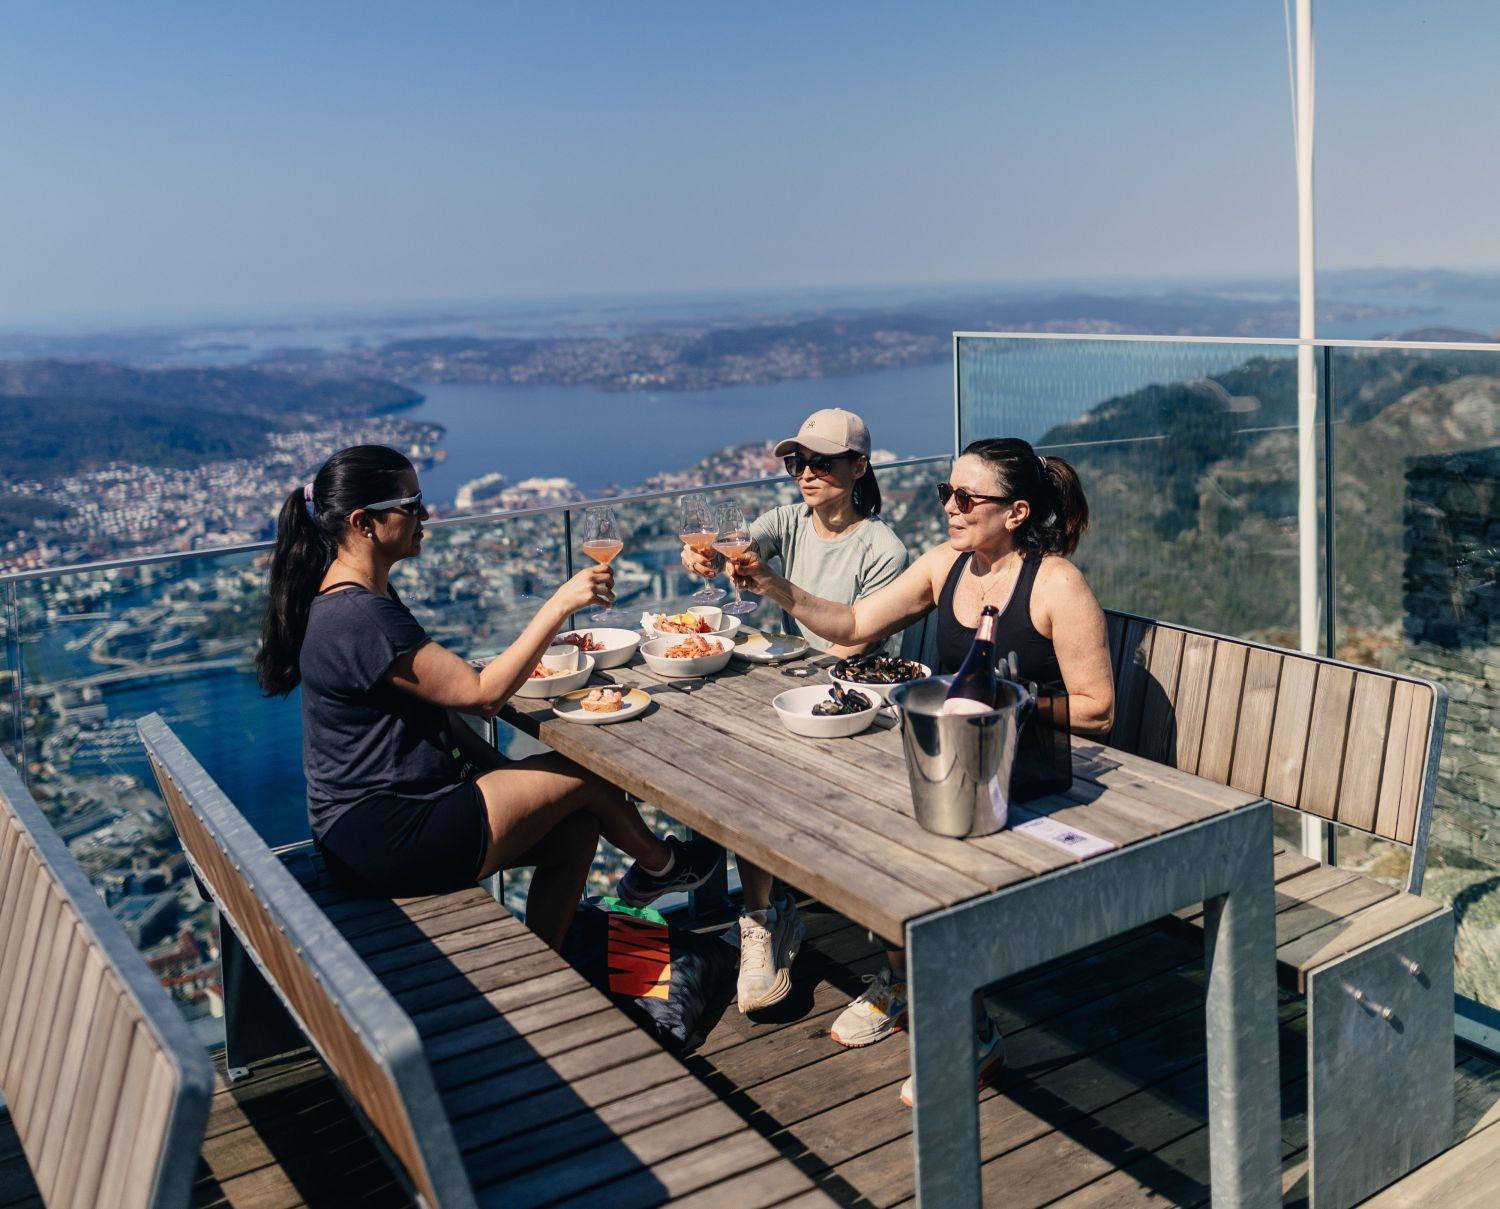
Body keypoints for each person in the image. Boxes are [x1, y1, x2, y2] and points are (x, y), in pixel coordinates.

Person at [725, 436, 1115, 1104]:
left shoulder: (1056, 584)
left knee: (900, 840)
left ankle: (962, 1026)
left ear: (1016, 512)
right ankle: (919, 994)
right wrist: (773, 585)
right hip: (955, 761)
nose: (950, 508)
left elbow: (1099, 709)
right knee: (840, 802)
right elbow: (852, 623)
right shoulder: (946, 566)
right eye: (947, 493)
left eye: (967, 498)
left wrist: (1000, 702)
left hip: (1030, 775)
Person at [256, 444, 720, 953]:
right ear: (364, 523)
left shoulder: (358, 599)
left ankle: (550, 964)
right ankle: (664, 867)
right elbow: (482, 697)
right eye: (410, 505)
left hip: (371, 826)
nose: (425, 515)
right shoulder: (359, 615)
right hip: (387, 834)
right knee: (594, 771)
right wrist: (561, 602)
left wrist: (506, 775)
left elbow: (437, 712)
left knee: (577, 826)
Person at [680, 408, 908, 1015]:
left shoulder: (884, 549)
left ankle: (765, 917)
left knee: (751, 763)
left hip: (854, 707)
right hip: (790, 691)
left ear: (859, 467)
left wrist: (775, 591)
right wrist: (702, 560)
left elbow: (858, 645)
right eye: (798, 462)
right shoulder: (789, 521)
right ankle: (762, 916)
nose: (806, 474)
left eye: (822, 462)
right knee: (731, 756)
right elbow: (739, 545)